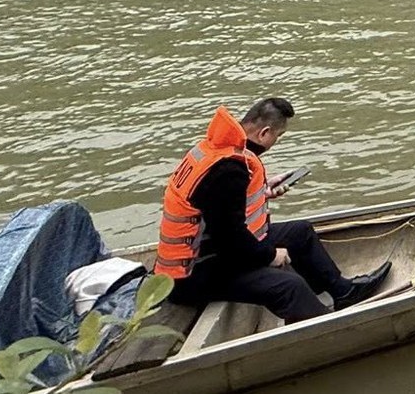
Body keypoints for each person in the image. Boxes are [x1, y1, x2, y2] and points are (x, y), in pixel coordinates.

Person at [156, 98, 389, 323]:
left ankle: (343, 292)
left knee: (300, 232)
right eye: (278, 136)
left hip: (211, 251)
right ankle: (328, 330)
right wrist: (270, 255)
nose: (275, 141)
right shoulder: (227, 170)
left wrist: (263, 192)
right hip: (191, 274)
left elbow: (217, 206)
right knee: (290, 287)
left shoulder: (216, 149)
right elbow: (229, 237)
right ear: (265, 133)